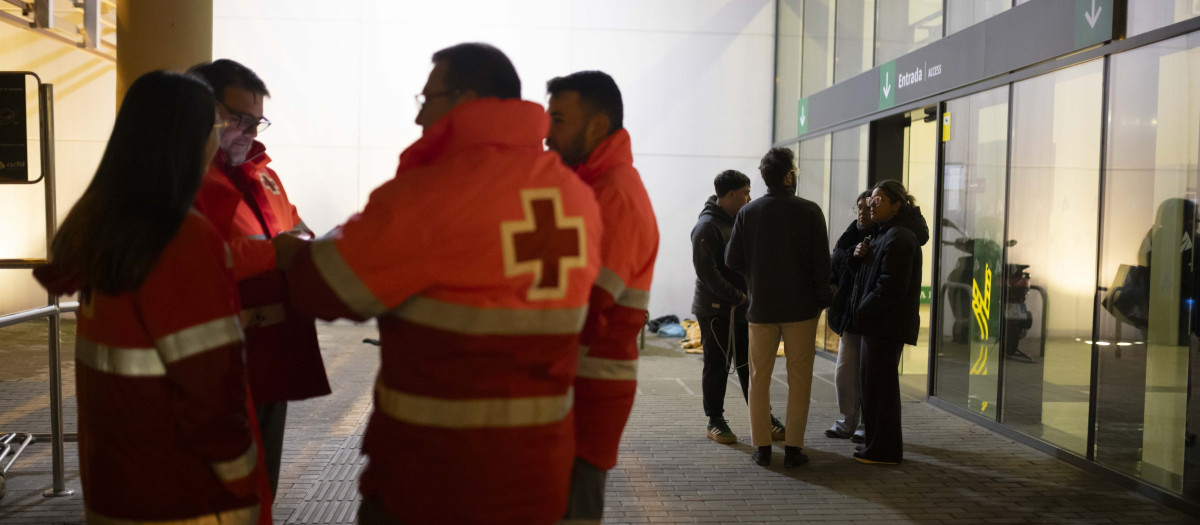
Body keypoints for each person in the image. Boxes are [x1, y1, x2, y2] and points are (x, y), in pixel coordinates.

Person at [278, 43, 602, 525]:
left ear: (464, 99)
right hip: (539, 475)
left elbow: (323, 289)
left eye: (426, 99)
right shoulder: (575, 197)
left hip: (437, 483)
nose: (418, 118)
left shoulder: (436, 192)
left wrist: (291, 254)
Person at [33, 71, 266, 524]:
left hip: (116, 485)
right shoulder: (182, 240)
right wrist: (242, 479)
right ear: (190, 138)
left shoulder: (102, 229)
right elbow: (209, 388)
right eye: (215, 129)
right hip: (187, 492)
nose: (218, 144)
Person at [188, 58, 331, 497]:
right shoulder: (183, 179)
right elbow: (197, 259)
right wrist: (277, 252)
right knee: (218, 478)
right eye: (238, 119)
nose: (248, 132)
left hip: (271, 348)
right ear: (202, 110)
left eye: (257, 121)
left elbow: (297, 227)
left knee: (261, 472)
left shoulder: (263, 174)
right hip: (214, 353)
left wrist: (297, 244)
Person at [545, 70, 659, 521]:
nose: (546, 133)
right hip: (577, 383)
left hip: (587, 389)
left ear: (596, 126)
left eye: (558, 119)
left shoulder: (613, 195)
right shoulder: (590, 187)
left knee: (573, 506)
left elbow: (586, 308)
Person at [725, 147, 831, 468]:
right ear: (788, 176)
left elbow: (732, 260)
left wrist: (756, 274)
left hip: (761, 310)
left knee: (759, 378)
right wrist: (820, 302)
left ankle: (762, 448)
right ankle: (794, 449)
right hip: (801, 310)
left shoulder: (748, 213)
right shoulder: (810, 211)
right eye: (795, 170)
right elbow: (821, 265)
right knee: (800, 378)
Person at [848, 179, 928, 465]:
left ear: (898, 204)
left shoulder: (900, 237)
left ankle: (885, 450)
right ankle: (876, 445)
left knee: (881, 390)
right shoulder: (883, 234)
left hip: (885, 325)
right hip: (876, 324)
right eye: (871, 199)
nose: (872, 204)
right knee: (872, 386)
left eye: (879, 200)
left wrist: (863, 311)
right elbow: (872, 277)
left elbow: (891, 287)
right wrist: (861, 257)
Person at [690, 170, 771, 444]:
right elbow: (707, 272)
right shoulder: (707, 227)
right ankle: (715, 420)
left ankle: (763, 417)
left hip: (741, 307)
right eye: (746, 192)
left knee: (750, 364)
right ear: (733, 193)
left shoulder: (737, 221)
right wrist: (736, 295)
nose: (749, 198)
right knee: (717, 365)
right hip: (716, 310)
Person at [825, 190, 873, 443]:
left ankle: (867, 424)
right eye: (859, 207)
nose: (863, 212)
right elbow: (836, 264)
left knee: (869, 376)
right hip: (849, 316)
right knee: (844, 373)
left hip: (872, 317)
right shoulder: (849, 236)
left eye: (868, 207)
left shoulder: (884, 236)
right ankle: (847, 421)